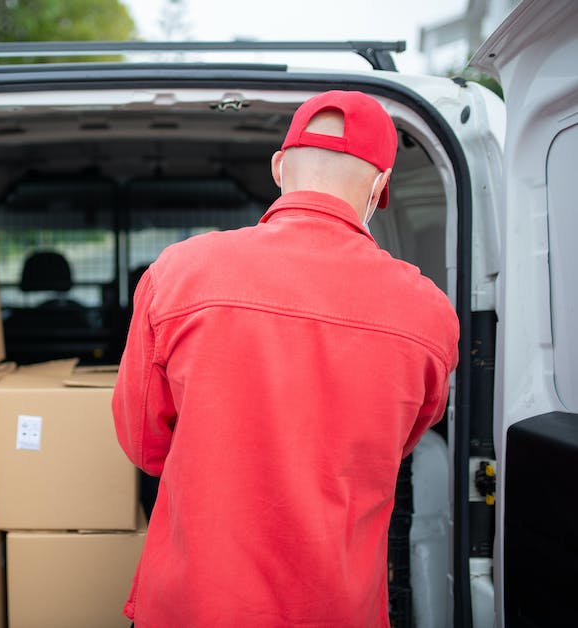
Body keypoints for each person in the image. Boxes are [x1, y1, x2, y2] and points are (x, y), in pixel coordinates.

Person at [112, 90, 459, 627]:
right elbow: (401, 442)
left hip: (196, 606)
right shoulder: (430, 314)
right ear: (380, 188)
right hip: (336, 610)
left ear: (278, 167)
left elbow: (144, 445)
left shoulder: (179, 274)